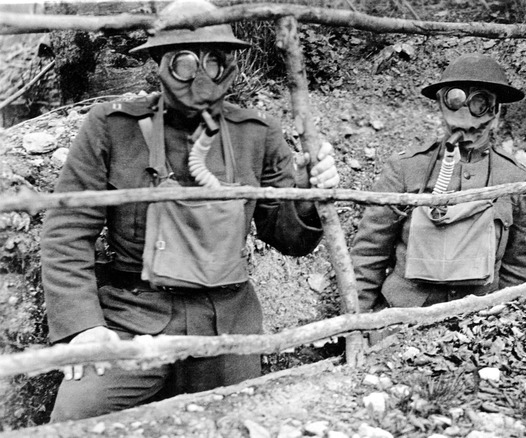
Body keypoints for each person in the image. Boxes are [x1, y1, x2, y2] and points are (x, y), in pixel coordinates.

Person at [40, 0, 338, 422]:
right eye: (184, 61)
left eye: (214, 60)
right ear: (160, 63)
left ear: (231, 64)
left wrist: (306, 195)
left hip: (227, 325)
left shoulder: (257, 134)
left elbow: (288, 238)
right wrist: (82, 327)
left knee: (242, 424)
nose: (201, 75)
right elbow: (67, 230)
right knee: (72, 423)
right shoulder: (112, 127)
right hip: (133, 318)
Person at [351, 53, 526, 314]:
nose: (468, 117)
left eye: (481, 101)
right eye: (457, 99)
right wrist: (356, 324)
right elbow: (369, 254)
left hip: (478, 320)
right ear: (442, 104)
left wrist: (508, 315)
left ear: (496, 111)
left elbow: (514, 264)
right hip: (405, 317)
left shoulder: (515, 177)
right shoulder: (405, 168)